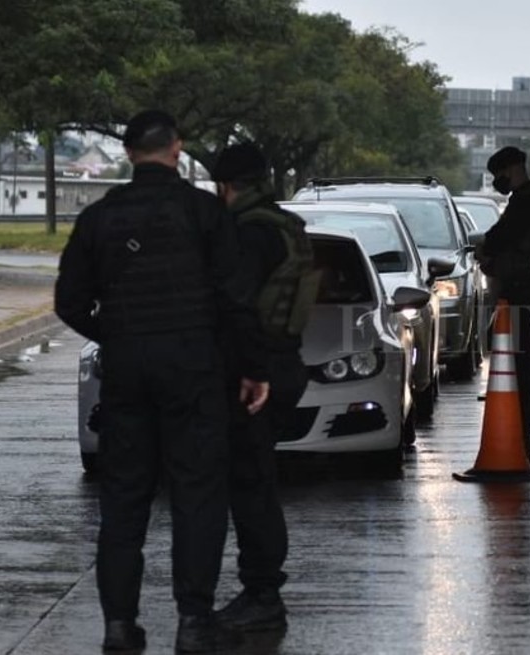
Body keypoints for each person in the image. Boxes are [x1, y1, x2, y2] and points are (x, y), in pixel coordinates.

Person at [54, 110, 269, 653]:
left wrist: (117, 332)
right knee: (198, 496)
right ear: (177, 148)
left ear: (127, 153)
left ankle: (119, 626)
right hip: (194, 370)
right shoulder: (203, 212)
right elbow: (235, 299)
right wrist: (252, 368)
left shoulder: (99, 218)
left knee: (123, 501)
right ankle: (194, 620)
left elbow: (68, 301)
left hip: (127, 373)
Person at [208, 143, 315, 634]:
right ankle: (261, 590)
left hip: (258, 371)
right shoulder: (284, 225)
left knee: (251, 488)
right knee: (257, 483)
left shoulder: (248, 233)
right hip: (284, 360)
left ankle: (261, 594)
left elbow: (238, 306)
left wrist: (250, 373)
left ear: (226, 186)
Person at [478, 146, 530, 462]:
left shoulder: (528, 201)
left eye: (498, 176)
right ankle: (523, 425)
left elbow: (501, 237)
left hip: (522, 285)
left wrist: (487, 251)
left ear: (511, 169)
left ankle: (523, 428)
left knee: (520, 359)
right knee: (519, 356)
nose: (498, 181)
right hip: (527, 284)